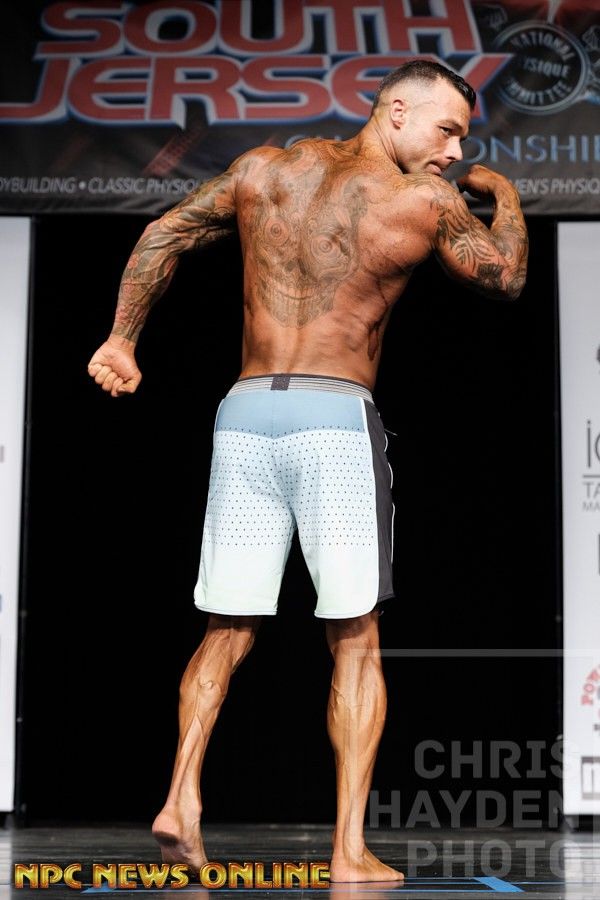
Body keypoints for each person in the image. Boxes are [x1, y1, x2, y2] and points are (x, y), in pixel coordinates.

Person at [88, 60, 528, 882]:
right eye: (447, 131)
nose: (454, 152)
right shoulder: (427, 200)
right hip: (333, 421)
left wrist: (122, 338)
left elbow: (166, 233)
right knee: (355, 639)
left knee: (225, 627)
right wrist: (501, 195)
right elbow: (504, 277)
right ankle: (348, 850)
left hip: (245, 415)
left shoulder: (264, 170)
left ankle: (180, 797)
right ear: (396, 111)